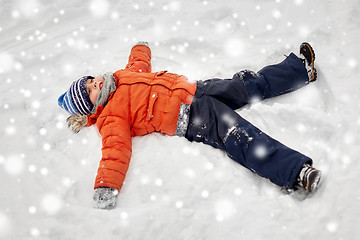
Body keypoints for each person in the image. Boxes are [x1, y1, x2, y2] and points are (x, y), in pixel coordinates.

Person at [58, 41, 321, 209]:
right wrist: (106, 186)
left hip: (197, 88)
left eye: (91, 81)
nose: (96, 84)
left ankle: (300, 69)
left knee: (246, 83)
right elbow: (114, 152)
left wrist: (140, 48)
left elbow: (138, 63)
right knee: (239, 135)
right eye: (91, 91)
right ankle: (295, 172)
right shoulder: (110, 118)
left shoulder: (120, 75)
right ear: (90, 108)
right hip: (191, 115)